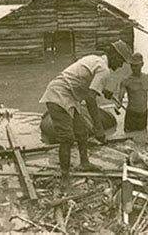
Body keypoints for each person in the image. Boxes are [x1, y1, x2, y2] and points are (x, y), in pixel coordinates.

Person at [39, 40, 132, 191]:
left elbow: (84, 81)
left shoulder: (95, 59)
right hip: (59, 95)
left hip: (69, 95)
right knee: (67, 138)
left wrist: (103, 90)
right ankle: (65, 178)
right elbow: (90, 99)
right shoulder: (104, 70)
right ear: (114, 55)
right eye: (121, 61)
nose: (121, 65)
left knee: (81, 130)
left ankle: (84, 163)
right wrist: (98, 128)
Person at [118, 52, 148, 132]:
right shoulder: (126, 80)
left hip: (143, 115)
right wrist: (117, 106)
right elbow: (120, 97)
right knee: (128, 140)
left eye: (136, 65)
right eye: (132, 65)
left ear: (142, 64)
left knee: (142, 138)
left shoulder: (147, 78)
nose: (134, 68)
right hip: (131, 115)